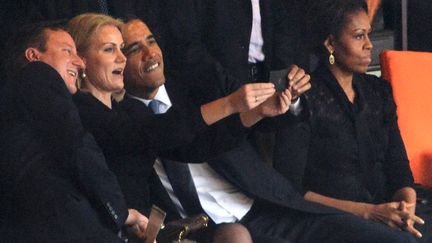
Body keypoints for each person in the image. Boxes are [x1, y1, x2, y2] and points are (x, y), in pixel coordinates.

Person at [120, 18, 418, 243]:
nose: (149, 52)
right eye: (133, 48)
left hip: (267, 206)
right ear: (118, 61)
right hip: (204, 231)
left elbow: (259, 120)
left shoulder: (199, 83)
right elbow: (169, 136)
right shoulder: (119, 121)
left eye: (151, 40)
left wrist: (285, 103)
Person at [68, 13, 290, 242]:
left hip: (152, 231)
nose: (121, 58)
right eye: (109, 50)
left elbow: (192, 147)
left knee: (234, 234)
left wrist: (255, 113)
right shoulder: (81, 111)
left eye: (122, 49)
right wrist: (230, 103)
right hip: (117, 233)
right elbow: (154, 132)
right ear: (81, 60)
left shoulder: (124, 109)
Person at [273, 0, 431, 242]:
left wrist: (407, 207)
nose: (369, 45)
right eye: (359, 36)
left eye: (369, 34)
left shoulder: (379, 91)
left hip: (387, 208)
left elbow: (399, 168)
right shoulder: (304, 97)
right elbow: (292, 189)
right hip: (334, 217)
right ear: (331, 44)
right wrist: (369, 212)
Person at [0, 21, 149, 242]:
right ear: (33, 55)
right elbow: (78, 147)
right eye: (67, 51)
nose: (79, 63)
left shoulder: (21, 105)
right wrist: (120, 211)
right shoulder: (36, 74)